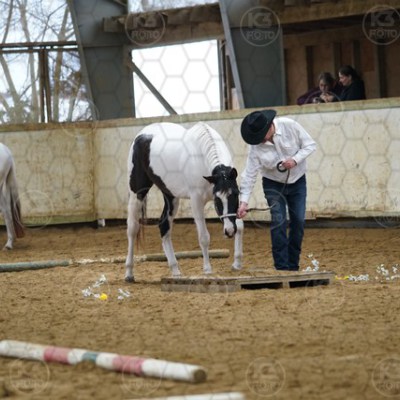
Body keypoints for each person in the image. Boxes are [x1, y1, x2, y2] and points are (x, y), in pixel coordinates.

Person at [237, 109, 316, 271]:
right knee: (279, 221)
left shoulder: (290, 126)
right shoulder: (255, 147)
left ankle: (293, 265)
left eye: (261, 135)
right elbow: (250, 173)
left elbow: (310, 145)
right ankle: (281, 267)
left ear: (270, 126)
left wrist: (295, 160)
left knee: (298, 221)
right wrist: (244, 202)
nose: (260, 140)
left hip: (297, 181)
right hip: (272, 184)